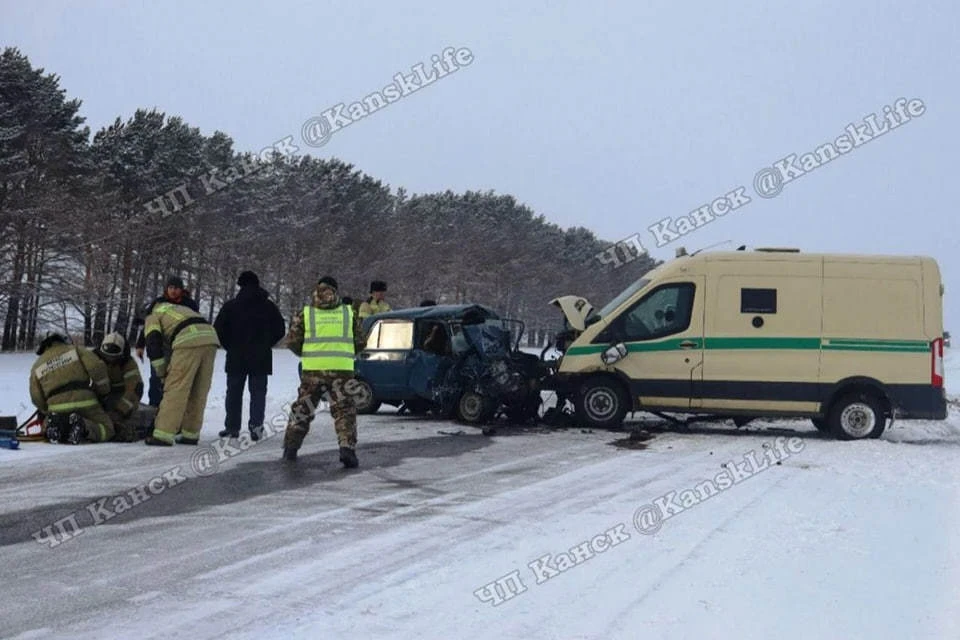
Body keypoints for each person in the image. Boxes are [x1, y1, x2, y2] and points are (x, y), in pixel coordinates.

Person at [282, 275, 365, 466]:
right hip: (342, 370)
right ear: (336, 290)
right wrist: (346, 353)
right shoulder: (348, 313)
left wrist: (309, 354)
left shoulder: (306, 314)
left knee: (303, 408)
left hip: (313, 370)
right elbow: (361, 341)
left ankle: (290, 448)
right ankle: (347, 448)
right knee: (344, 410)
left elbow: (293, 341)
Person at [213, 270, 286, 440]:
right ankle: (256, 427)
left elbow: (218, 329)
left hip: (236, 356)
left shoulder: (231, 306)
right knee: (258, 394)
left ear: (240, 285)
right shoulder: (268, 306)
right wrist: (267, 343)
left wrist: (229, 345)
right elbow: (280, 329)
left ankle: (232, 427)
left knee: (233, 393)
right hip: (261, 357)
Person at [142, 299, 220, 446]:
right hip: (210, 338)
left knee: (176, 389)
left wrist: (161, 372)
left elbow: (153, 345)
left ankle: (163, 434)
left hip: (188, 339)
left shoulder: (152, 316)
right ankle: (190, 434)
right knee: (199, 389)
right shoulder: (177, 309)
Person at [29, 333, 114, 444]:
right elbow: (96, 368)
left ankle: (56, 426)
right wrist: (103, 391)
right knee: (107, 429)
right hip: (85, 402)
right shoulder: (77, 350)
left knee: (49, 423)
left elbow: (35, 396)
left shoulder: (37, 365)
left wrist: (46, 410)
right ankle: (83, 427)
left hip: (56, 407)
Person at [134, 276, 200, 407]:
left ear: (181, 290)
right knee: (156, 379)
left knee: (178, 379)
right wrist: (140, 345)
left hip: (181, 347)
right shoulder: (158, 303)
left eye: (176, 288)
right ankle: (154, 408)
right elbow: (149, 325)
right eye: (170, 288)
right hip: (159, 347)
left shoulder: (190, 305)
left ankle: (173, 408)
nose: (173, 291)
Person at [93, 332, 145, 442]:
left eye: (113, 357)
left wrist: (119, 412)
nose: (109, 359)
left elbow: (135, 390)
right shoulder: (93, 358)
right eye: (106, 356)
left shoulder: (128, 363)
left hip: (119, 399)